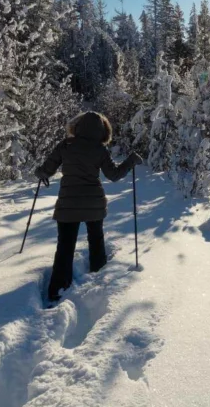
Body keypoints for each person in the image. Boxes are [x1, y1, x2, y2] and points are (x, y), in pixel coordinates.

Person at [35, 112, 142, 303]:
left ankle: (57, 289)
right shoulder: (100, 150)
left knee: (65, 247)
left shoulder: (66, 145)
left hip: (68, 203)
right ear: (103, 131)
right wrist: (130, 161)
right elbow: (114, 175)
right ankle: (99, 277)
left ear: (77, 126)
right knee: (96, 240)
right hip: (94, 203)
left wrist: (40, 172)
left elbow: (47, 170)